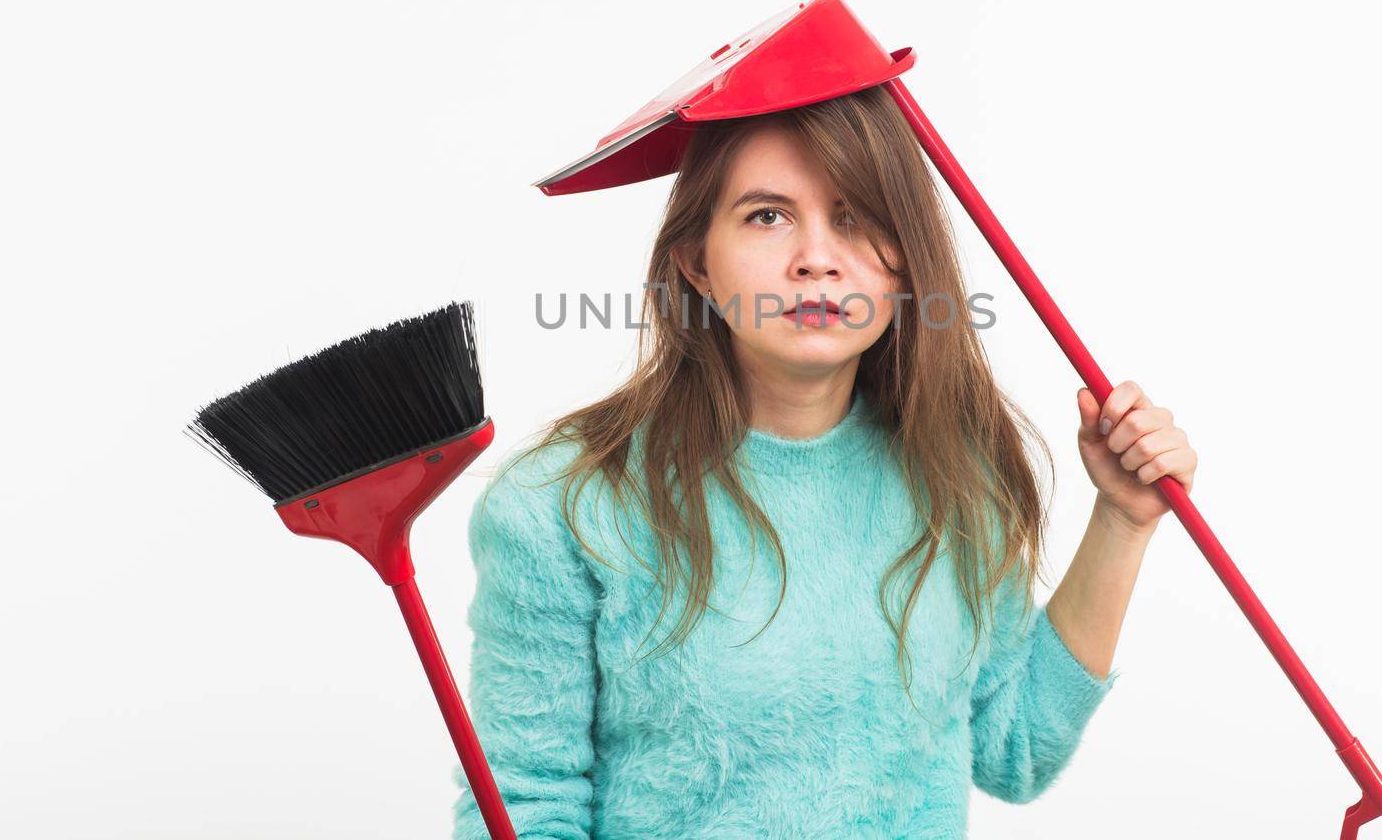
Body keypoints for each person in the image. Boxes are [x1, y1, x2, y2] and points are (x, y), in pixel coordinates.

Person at [451, 84, 1199, 839]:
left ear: (903, 260)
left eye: (854, 215)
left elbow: (1017, 747)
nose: (816, 259)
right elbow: (521, 809)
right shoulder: (559, 507)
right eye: (767, 215)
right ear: (697, 265)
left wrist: (1123, 520)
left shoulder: (956, 474)